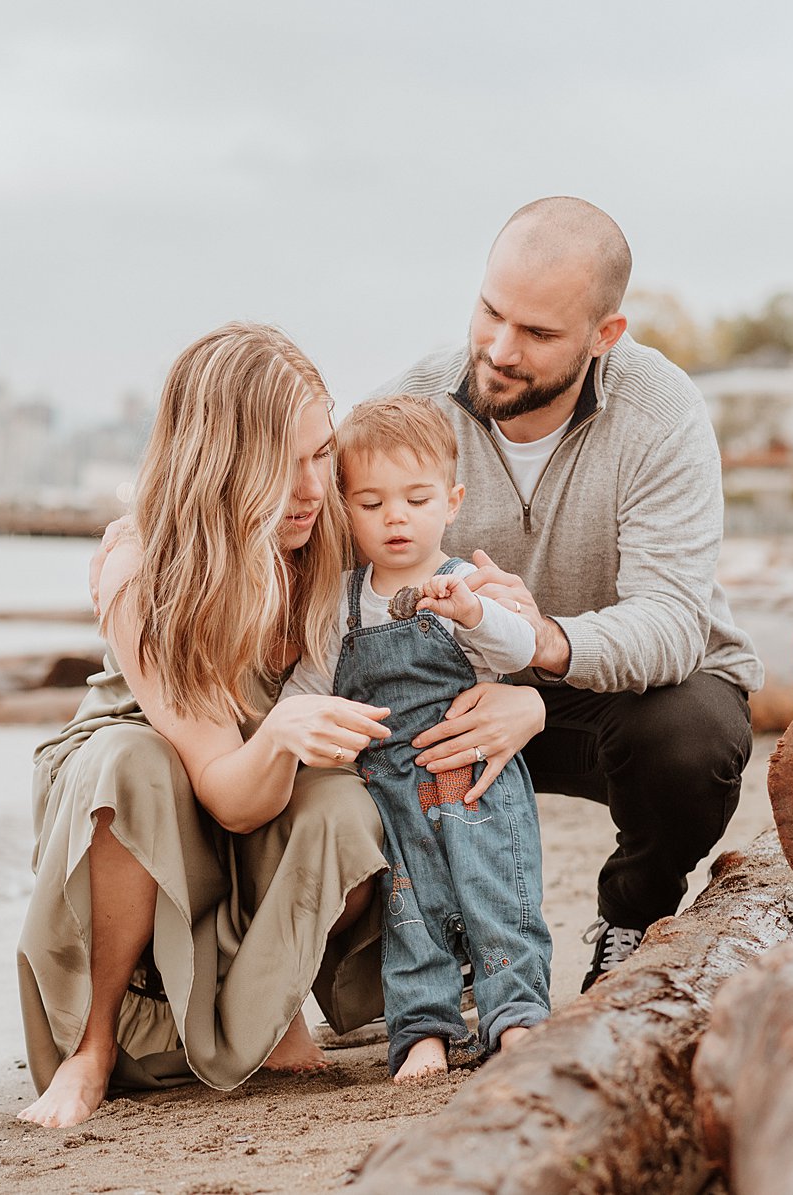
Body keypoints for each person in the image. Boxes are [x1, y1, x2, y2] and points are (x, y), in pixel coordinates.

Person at [15, 321, 398, 1130]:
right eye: (279, 461)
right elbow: (226, 793)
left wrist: (527, 688)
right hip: (146, 788)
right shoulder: (144, 571)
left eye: (321, 453)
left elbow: (436, 481)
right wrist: (284, 729)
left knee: (346, 810)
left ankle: (271, 1012)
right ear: (220, 457)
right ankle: (92, 1047)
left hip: (255, 782)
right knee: (135, 763)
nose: (309, 486)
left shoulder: (327, 531)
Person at [384, 196, 765, 990]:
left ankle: (630, 917)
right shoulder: (412, 405)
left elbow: (670, 623)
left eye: (539, 333)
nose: (498, 348)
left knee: (692, 734)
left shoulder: (660, 413)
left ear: (604, 337)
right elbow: (337, 568)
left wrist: (544, 648)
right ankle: (435, 955)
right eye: (490, 311)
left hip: (620, 696)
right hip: (470, 695)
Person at [278, 395, 552, 1082]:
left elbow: (519, 648)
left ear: (452, 501)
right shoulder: (339, 601)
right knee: (411, 912)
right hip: (390, 792)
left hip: (474, 781)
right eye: (370, 504)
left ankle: (516, 1017)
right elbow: (307, 690)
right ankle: (423, 1030)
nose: (395, 516)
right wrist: (297, 734)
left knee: (499, 897)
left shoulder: (464, 584)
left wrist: (476, 612)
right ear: (344, 508)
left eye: (416, 498)